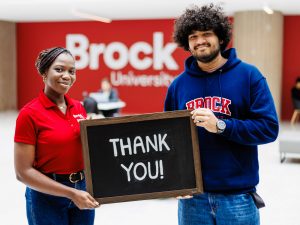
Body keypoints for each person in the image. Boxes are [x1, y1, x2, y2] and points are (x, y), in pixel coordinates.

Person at [164, 4, 279, 225]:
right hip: (192, 200)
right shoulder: (178, 86)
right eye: (193, 36)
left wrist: (221, 126)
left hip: (238, 197)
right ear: (186, 42)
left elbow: (268, 128)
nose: (200, 41)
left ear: (220, 37)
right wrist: (173, 181)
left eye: (207, 34)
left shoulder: (249, 76)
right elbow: (169, 140)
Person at [14, 47, 99, 225]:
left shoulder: (79, 108)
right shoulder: (29, 114)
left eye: (72, 71)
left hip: (83, 190)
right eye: (59, 69)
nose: (67, 76)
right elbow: (23, 172)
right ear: (44, 72)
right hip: (46, 197)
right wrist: (71, 193)